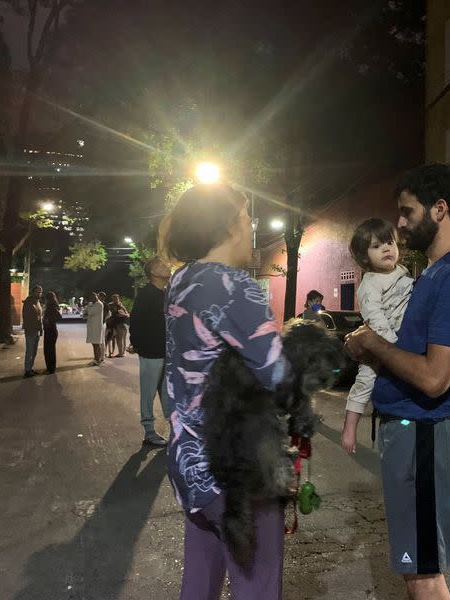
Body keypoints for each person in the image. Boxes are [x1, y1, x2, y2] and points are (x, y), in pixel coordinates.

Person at [345, 164, 450, 600]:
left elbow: (434, 379)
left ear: (440, 209)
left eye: (408, 212)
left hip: (426, 438)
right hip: (410, 435)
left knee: (424, 574)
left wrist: (372, 343)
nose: (400, 223)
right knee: (415, 569)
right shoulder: (432, 271)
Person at [164, 183, 288, 600]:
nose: (252, 228)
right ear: (231, 223)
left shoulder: (181, 279)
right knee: (256, 583)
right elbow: (279, 378)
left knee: (199, 579)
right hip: (238, 468)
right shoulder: (237, 286)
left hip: (190, 462)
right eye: (248, 218)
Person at [340, 218, 413, 454]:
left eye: (390, 243)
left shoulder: (403, 273)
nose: (386, 249)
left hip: (402, 339)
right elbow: (375, 319)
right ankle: (350, 427)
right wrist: (392, 347)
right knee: (365, 380)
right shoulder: (369, 284)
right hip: (383, 342)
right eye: (376, 246)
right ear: (364, 257)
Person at [130, 256, 172, 447]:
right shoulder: (146, 294)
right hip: (150, 351)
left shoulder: (165, 294)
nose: (167, 266)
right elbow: (135, 320)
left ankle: (175, 429)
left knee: (167, 391)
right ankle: (148, 431)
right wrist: (137, 344)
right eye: (162, 265)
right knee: (148, 392)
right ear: (153, 273)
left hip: (166, 351)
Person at [22, 286, 43, 377]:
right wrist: (29, 329)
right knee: (30, 351)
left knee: (34, 352)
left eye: (40, 292)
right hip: (31, 330)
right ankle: (27, 370)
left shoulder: (37, 302)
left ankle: (30, 368)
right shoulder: (29, 302)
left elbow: (39, 317)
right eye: (38, 292)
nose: (39, 294)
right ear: (33, 292)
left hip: (36, 330)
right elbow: (27, 318)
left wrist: (40, 329)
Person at [42, 291, 62, 374]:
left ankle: (50, 369)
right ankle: (50, 368)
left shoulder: (51, 307)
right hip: (50, 330)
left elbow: (59, 317)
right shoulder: (52, 306)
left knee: (49, 350)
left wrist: (50, 320)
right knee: (49, 349)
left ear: (48, 299)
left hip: (50, 330)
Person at [85, 292, 105, 365]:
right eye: (91, 297)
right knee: (94, 343)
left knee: (97, 343)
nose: (92, 298)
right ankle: (95, 358)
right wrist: (87, 311)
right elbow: (84, 313)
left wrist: (88, 310)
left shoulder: (99, 304)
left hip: (97, 327)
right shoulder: (91, 304)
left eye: (94, 296)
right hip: (91, 326)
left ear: (97, 296)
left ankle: (98, 360)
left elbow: (89, 312)